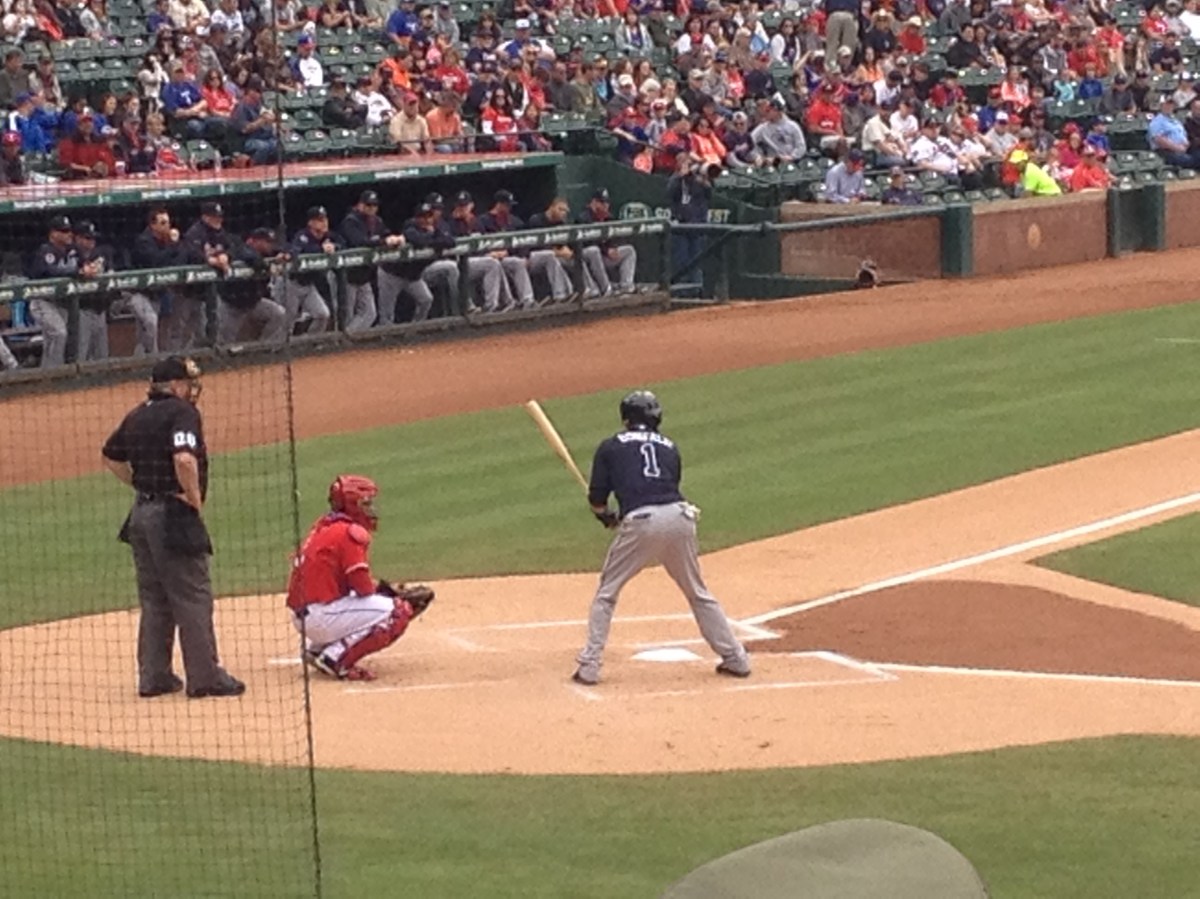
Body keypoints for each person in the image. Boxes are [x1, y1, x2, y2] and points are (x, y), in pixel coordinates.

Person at [573, 391, 751, 686]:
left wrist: (606, 516)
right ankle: (736, 658)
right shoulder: (670, 447)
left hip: (642, 521)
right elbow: (662, 487)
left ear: (625, 417)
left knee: (607, 592)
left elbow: (598, 500)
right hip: (681, 517)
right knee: (697, 592)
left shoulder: (610, 446)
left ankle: (590, 665)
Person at [101, 357, 245, 699]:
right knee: (193, 596)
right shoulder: (182, 413)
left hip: (140, 515)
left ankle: (154, 676)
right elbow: (184, 458)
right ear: (175, 385)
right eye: (188, 383)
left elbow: (110, 455)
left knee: (155, 599)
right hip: (172, 516)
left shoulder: (137, 414)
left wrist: (140, 483)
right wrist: (193, 497)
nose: (192, 389)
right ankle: (205, 677)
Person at [286, 475, 435, 681]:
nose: (370, 509)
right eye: (365, 503)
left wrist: (381, 591)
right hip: (322, 617)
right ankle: (334, 658)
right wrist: (390, 595)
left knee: (371, 602)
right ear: (351, 505)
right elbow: (362, 587)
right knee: (398, 612)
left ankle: (319, 649)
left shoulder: (323, 526)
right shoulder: (350, 533)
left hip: (304, 616)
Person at [338, 190, 405, 330]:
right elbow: (359, 241)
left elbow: (385, 233)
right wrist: (382, 241)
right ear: (360, 205)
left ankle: (349, 338)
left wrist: (395, 238)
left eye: (374, 205)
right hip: (347, 275)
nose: (371, 208)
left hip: (364, 275)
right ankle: (342, 343)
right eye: (368, 205)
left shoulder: (376, 221)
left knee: (370, 313)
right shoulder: (350, 221)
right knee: (346, 314)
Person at [179, 201, 239, 349]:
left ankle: (204, 356)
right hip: (187, 291)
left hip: (209, 290)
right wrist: (210, 260)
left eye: (219, 217)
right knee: (181, 329)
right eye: (214, 217)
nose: (219, 220)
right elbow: (190, 253)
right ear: (205, 217)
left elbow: (234, 247)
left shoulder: (220, 232)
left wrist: (226, 256)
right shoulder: (194, 233)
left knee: (208, 326)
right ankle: (172, 360)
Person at [28, 215, 86, 367]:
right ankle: (54, 373)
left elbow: (85, 264)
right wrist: (77, 272)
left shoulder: (73, 250)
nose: (69, 234)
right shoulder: (45, 251)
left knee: (54, 340)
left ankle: (47, 374)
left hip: (62, 302)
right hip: (43, 301)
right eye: (64, 231)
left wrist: (90, 268)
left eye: (69, 231)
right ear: (53, 233)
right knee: (59, 334)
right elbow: (50, 272)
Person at [217, 227, 288, 344]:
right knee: (224, 342)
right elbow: (250, 257)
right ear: (255, 241)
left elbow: (285, 250)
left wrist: (284, 255)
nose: (270, 246)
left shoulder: (266, 252)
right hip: (233, 305)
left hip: (254, 303)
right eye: (266, 242)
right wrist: (268, 266)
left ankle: (263, 348)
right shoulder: (241, 248)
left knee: (279, 314)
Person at [445, 191, 507, 312]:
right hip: (458, 264)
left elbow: (484, 243)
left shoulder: (477, 222)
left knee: (494, 263)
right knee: (491, 263)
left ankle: (498, 304)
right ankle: (492, 305)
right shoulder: (450, 224)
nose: (462, 209)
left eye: (465, 205)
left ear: (471, 205)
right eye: (459, 205)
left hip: (475, 262)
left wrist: (492, 253)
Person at [477, 189, 539, 309]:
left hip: (508, 256)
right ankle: (504, 303)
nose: (509, 208)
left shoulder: (514, 221)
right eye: (506, 205)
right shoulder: (483, 221)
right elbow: (478, 243)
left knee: (518, 262)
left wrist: (519, 254)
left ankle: (527, 300)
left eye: (510, 205)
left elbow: (523, 241)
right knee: (496, 264)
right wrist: (490, 253)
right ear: (499, 204)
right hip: (490, 257)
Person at [284, 206, 339, 333]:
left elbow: (343, 243)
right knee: (288, 320)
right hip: (292, 283)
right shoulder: (302, 236)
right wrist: (321, 249)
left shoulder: (328, 236)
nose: (324, 222)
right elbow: (299, 250)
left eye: (325, 219)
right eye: (320, 220)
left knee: (322, 314)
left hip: (309, 284)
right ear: (310, 223)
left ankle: (310, 342)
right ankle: (279, 349)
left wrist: (334, 246)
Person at [575, 188, 637, 296]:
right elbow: (587, 243)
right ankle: (606, 288)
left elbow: (615, 238)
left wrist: (613, 247)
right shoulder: (583, 218)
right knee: (594, 251)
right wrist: (606, 250)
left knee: (629, 250)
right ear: (594, 202)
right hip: (588, 259)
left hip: (604, 257)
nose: (606, 206)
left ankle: (626, 286)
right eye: (602, 202)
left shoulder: (608, 218)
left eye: (607, 202)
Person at [402, 202, 458, 319]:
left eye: (429, 216)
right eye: (423, 217)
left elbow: (451, 241)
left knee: (426, 300)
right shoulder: (410, 227)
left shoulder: (434, 228)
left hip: (414, 275)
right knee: (386, 313)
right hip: (393, 275)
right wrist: (434, 238)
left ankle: (415, 330)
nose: (426, 220)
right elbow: (419, 241)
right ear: (416, 218)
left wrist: (434, 236)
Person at [666, 152, 712, 290]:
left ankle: (697, 290)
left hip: (697, 225)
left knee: (697, 260)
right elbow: (669, 194)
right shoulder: (675, 179)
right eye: (684, 163)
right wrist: (681, 177)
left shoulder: (697, 180)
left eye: (689, 163)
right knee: (682, 261)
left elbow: (709, 195)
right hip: (681, 226)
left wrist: (704, 181)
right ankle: (683, 291)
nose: (687, 166)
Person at [71, 221, 115, 362]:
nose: (91, 242)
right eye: (87, 238)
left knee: (102, 354)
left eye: (93, 238)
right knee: (81, 352)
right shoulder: (71, 255)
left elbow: (111, 272)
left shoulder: (102, 253)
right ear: (77, 238)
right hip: (81, 309)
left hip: (100, 308)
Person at [1148, 95, 1200, 167]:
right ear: (1161, 106)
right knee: (1190, 161)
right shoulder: (1157, 121)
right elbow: (1159, 140)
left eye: (1171, 105)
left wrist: (1185, 144)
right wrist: (1177, 148)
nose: (1169, 107)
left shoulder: (1176, 121)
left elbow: (1184, 135)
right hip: (1166, 151)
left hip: (1183, 149)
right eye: (1166, 104)